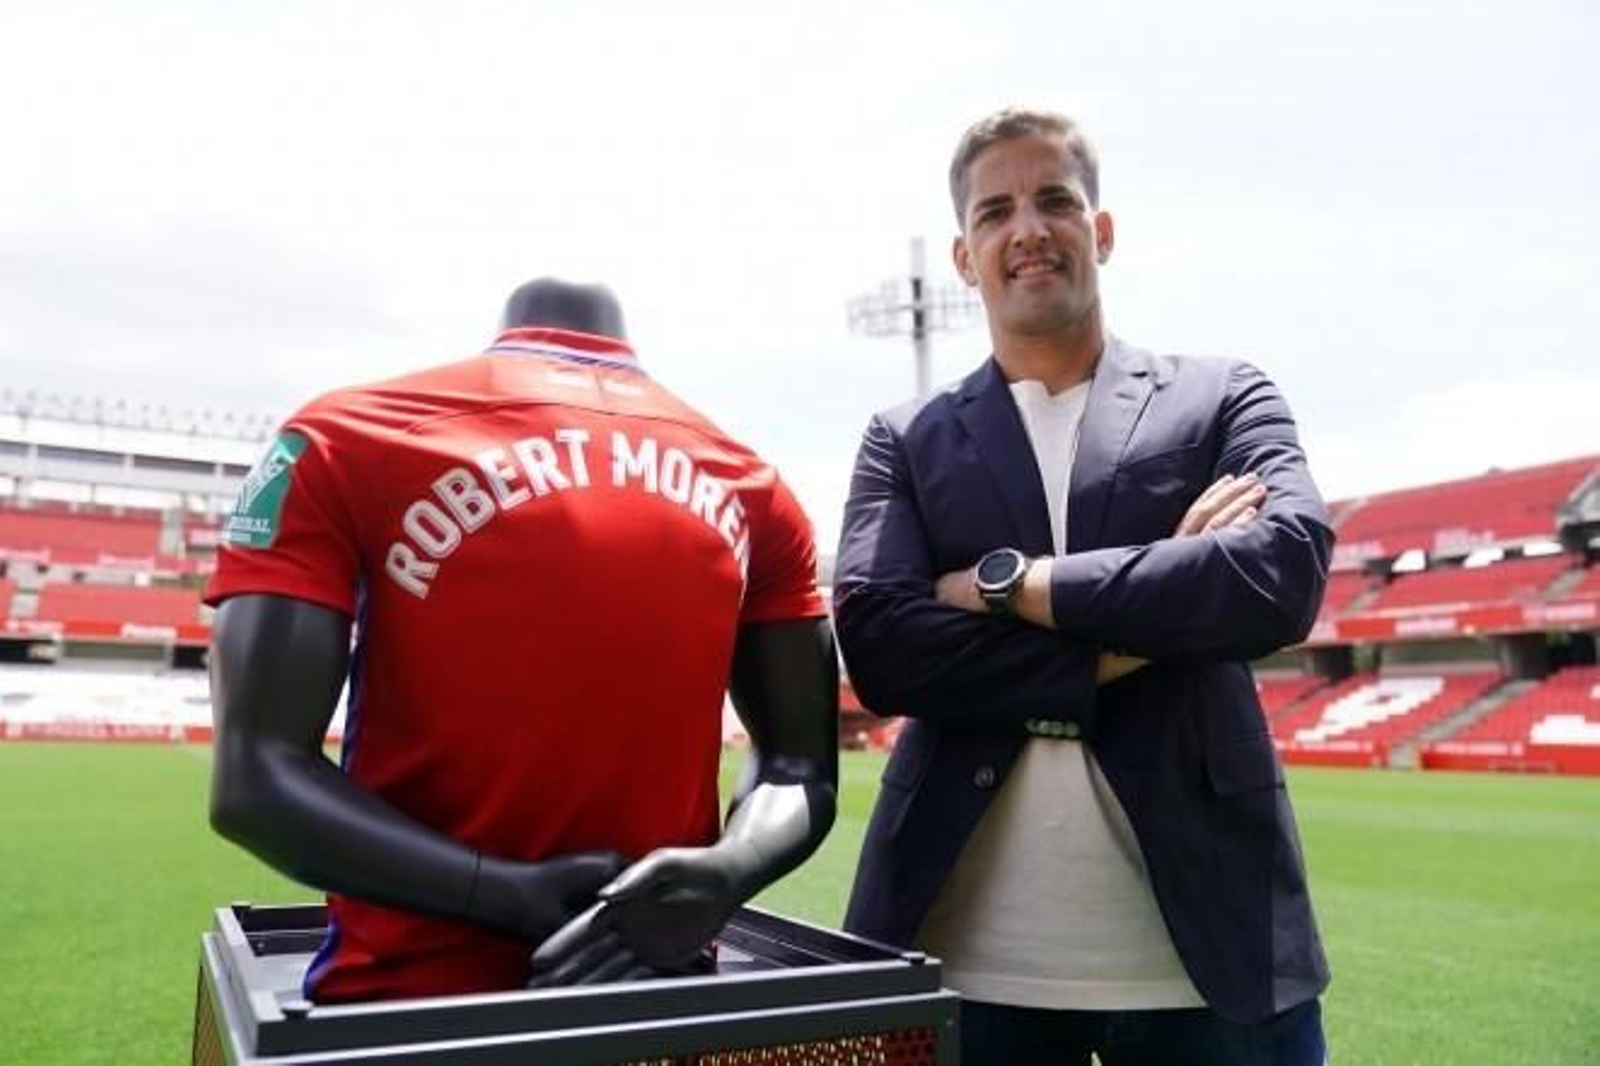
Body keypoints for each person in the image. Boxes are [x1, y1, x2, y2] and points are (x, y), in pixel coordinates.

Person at [833, 109, 1332, 1064]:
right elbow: (884, 650)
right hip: (964, 962)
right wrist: (1157, 612)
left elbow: (1280, 574)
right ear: (965, 255)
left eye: (1055, 200)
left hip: (1213, 957)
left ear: (1100, 230)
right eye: (996, 211)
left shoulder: (1223, 395)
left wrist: (1013, 586)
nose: (1028, 229)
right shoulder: (904, 438)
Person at [206, 278, 837, 1002]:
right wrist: (732, 868)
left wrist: (501, 891)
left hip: (408, 1009)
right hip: (657, 995)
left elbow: (255, 779)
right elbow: (799, 767)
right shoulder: (756, 484)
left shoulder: (344, 436)